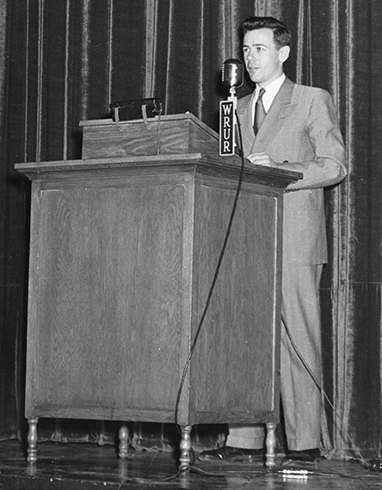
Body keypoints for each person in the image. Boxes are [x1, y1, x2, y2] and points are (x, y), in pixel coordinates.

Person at [199, 16, 346, 464]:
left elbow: (335, 165)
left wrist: (277, 168)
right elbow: (227, 169)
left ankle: (304, 444)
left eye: (258, 49)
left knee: (298, 339)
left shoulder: (310, 100)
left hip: (296, 239)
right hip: (247, 240)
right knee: (245, 335)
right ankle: (242, 440)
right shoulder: (233, 109)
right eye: (245, 50)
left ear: (283, 53)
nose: (249, 58)